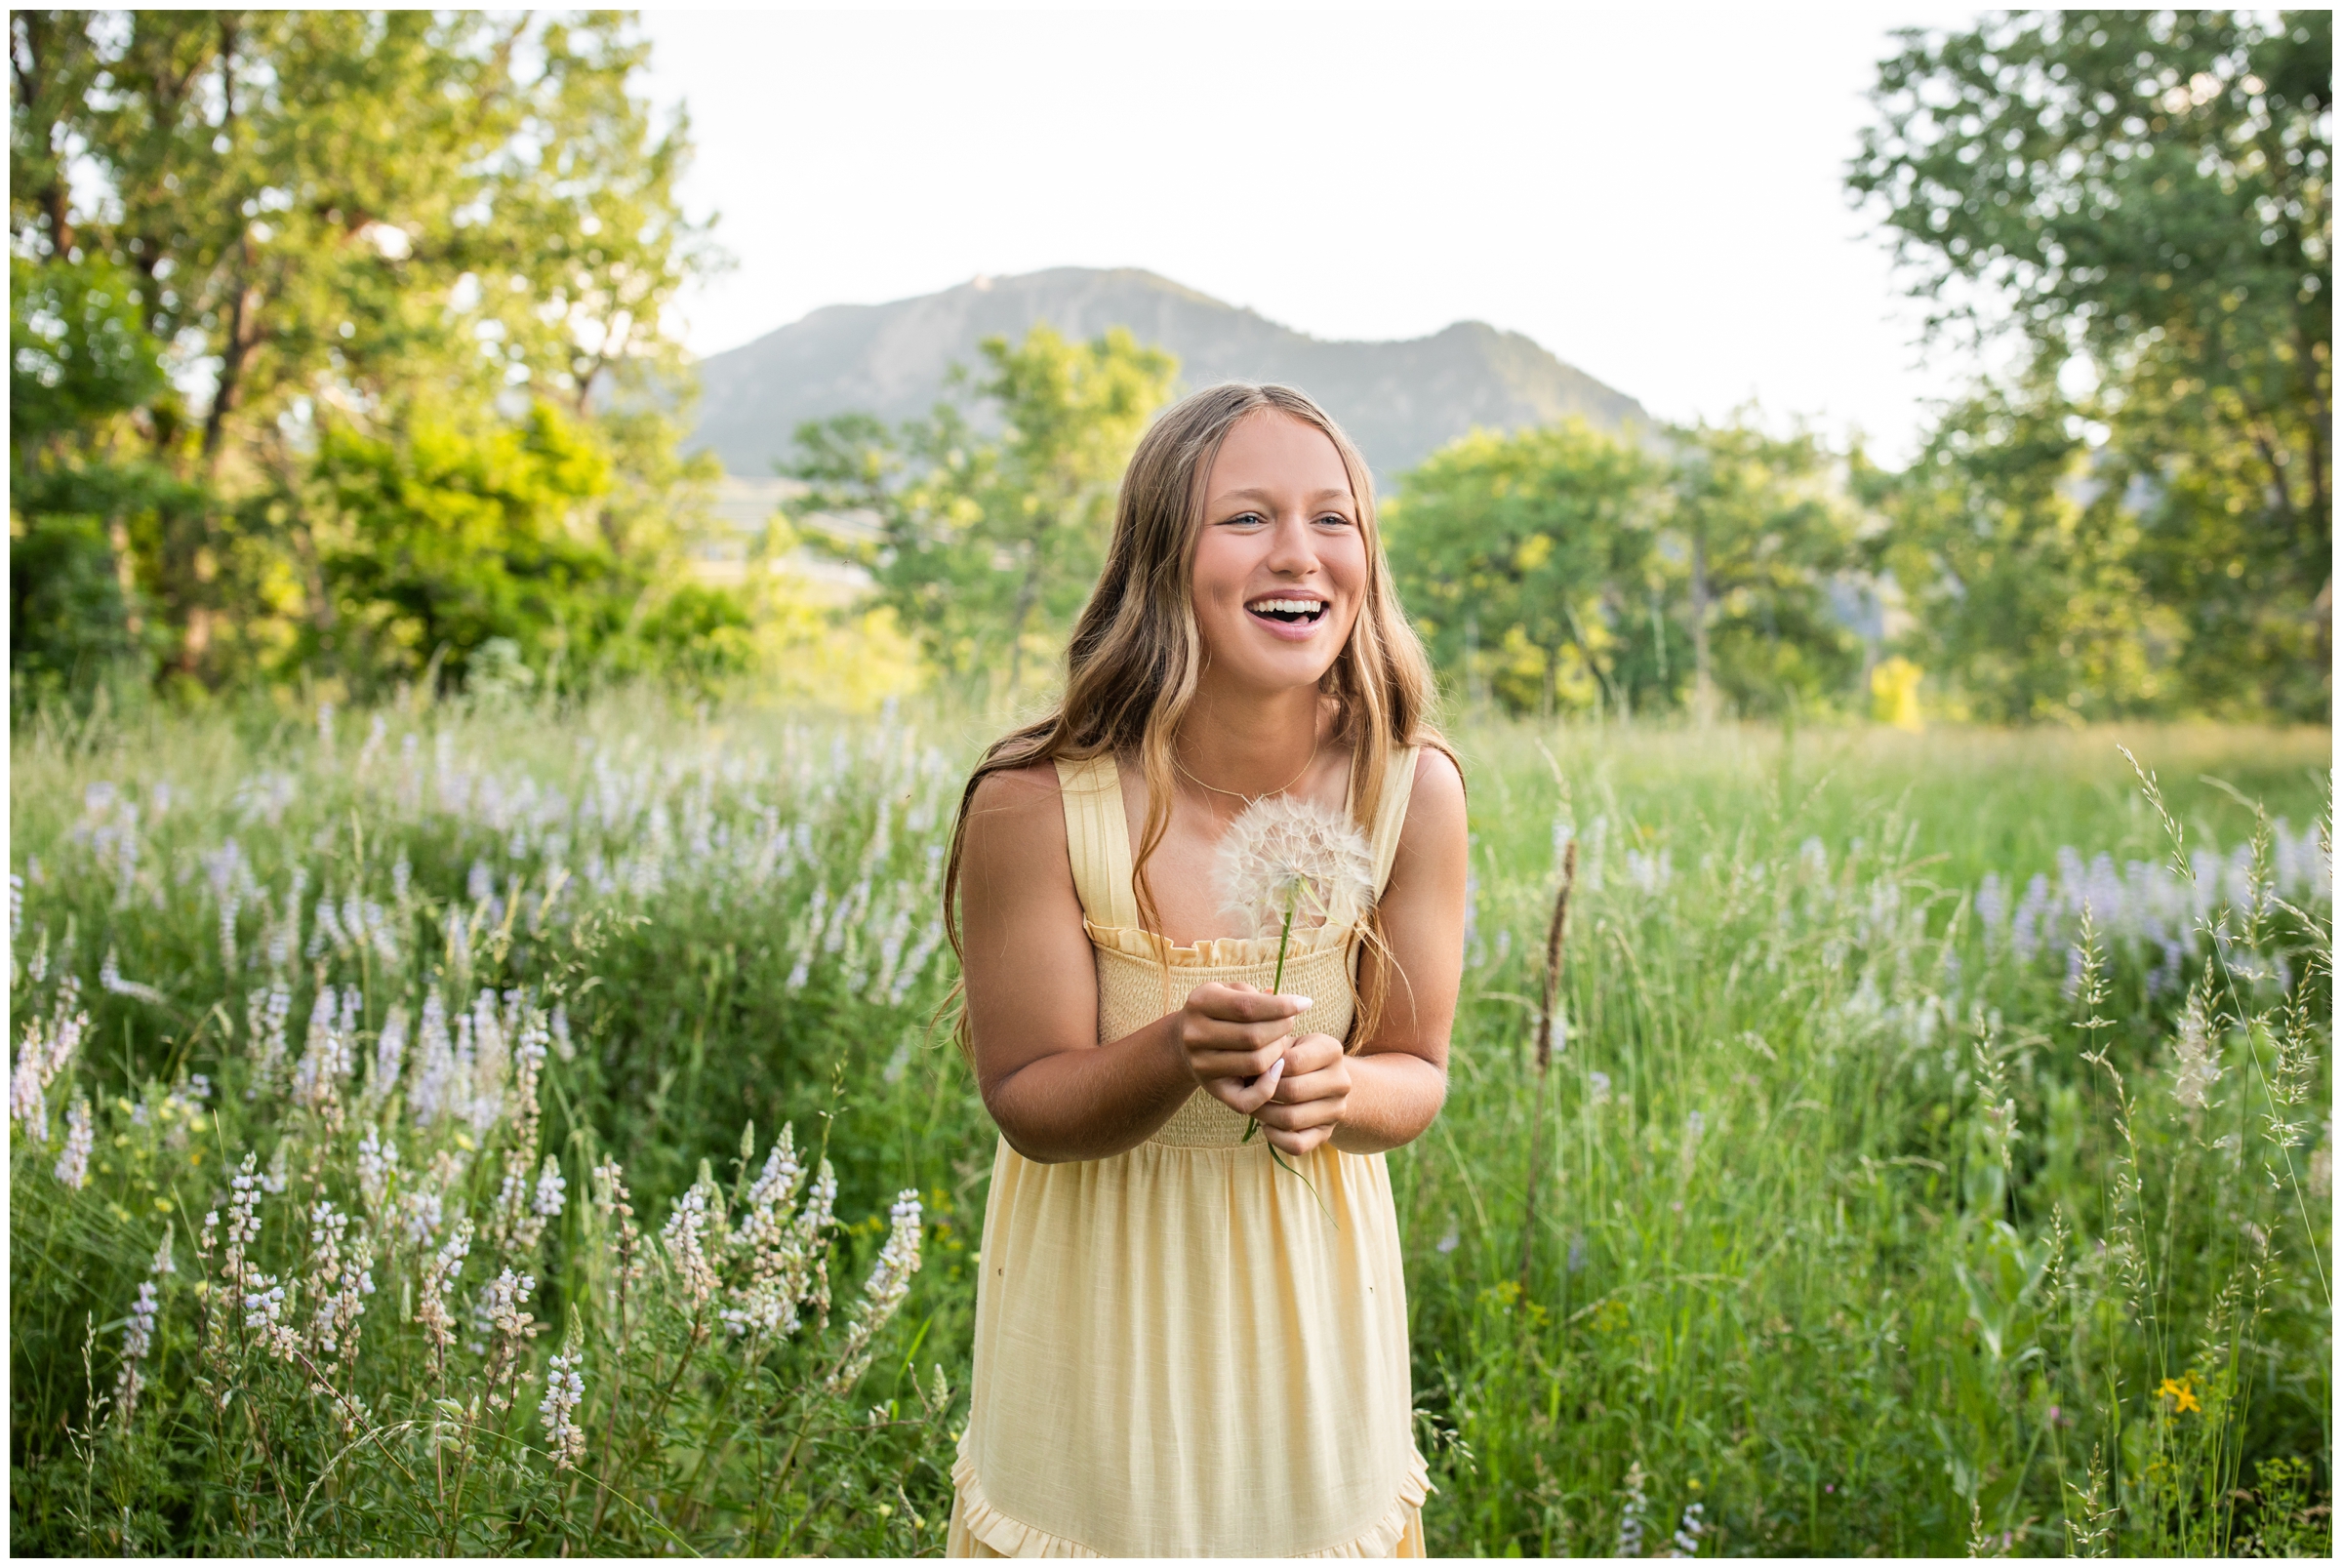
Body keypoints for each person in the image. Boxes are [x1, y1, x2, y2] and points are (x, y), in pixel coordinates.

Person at [942, 382, 1469, 1556]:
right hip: (1095, 1352)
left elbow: (1414, 1072)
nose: (1301, 552)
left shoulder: (1408, 790)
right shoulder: (1036, 804)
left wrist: (1340, 1088)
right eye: (1247, 518)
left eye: (1335, 518)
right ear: (1159, 556)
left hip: (1312, 1351)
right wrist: (1175, 1049)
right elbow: (1028, 1097)